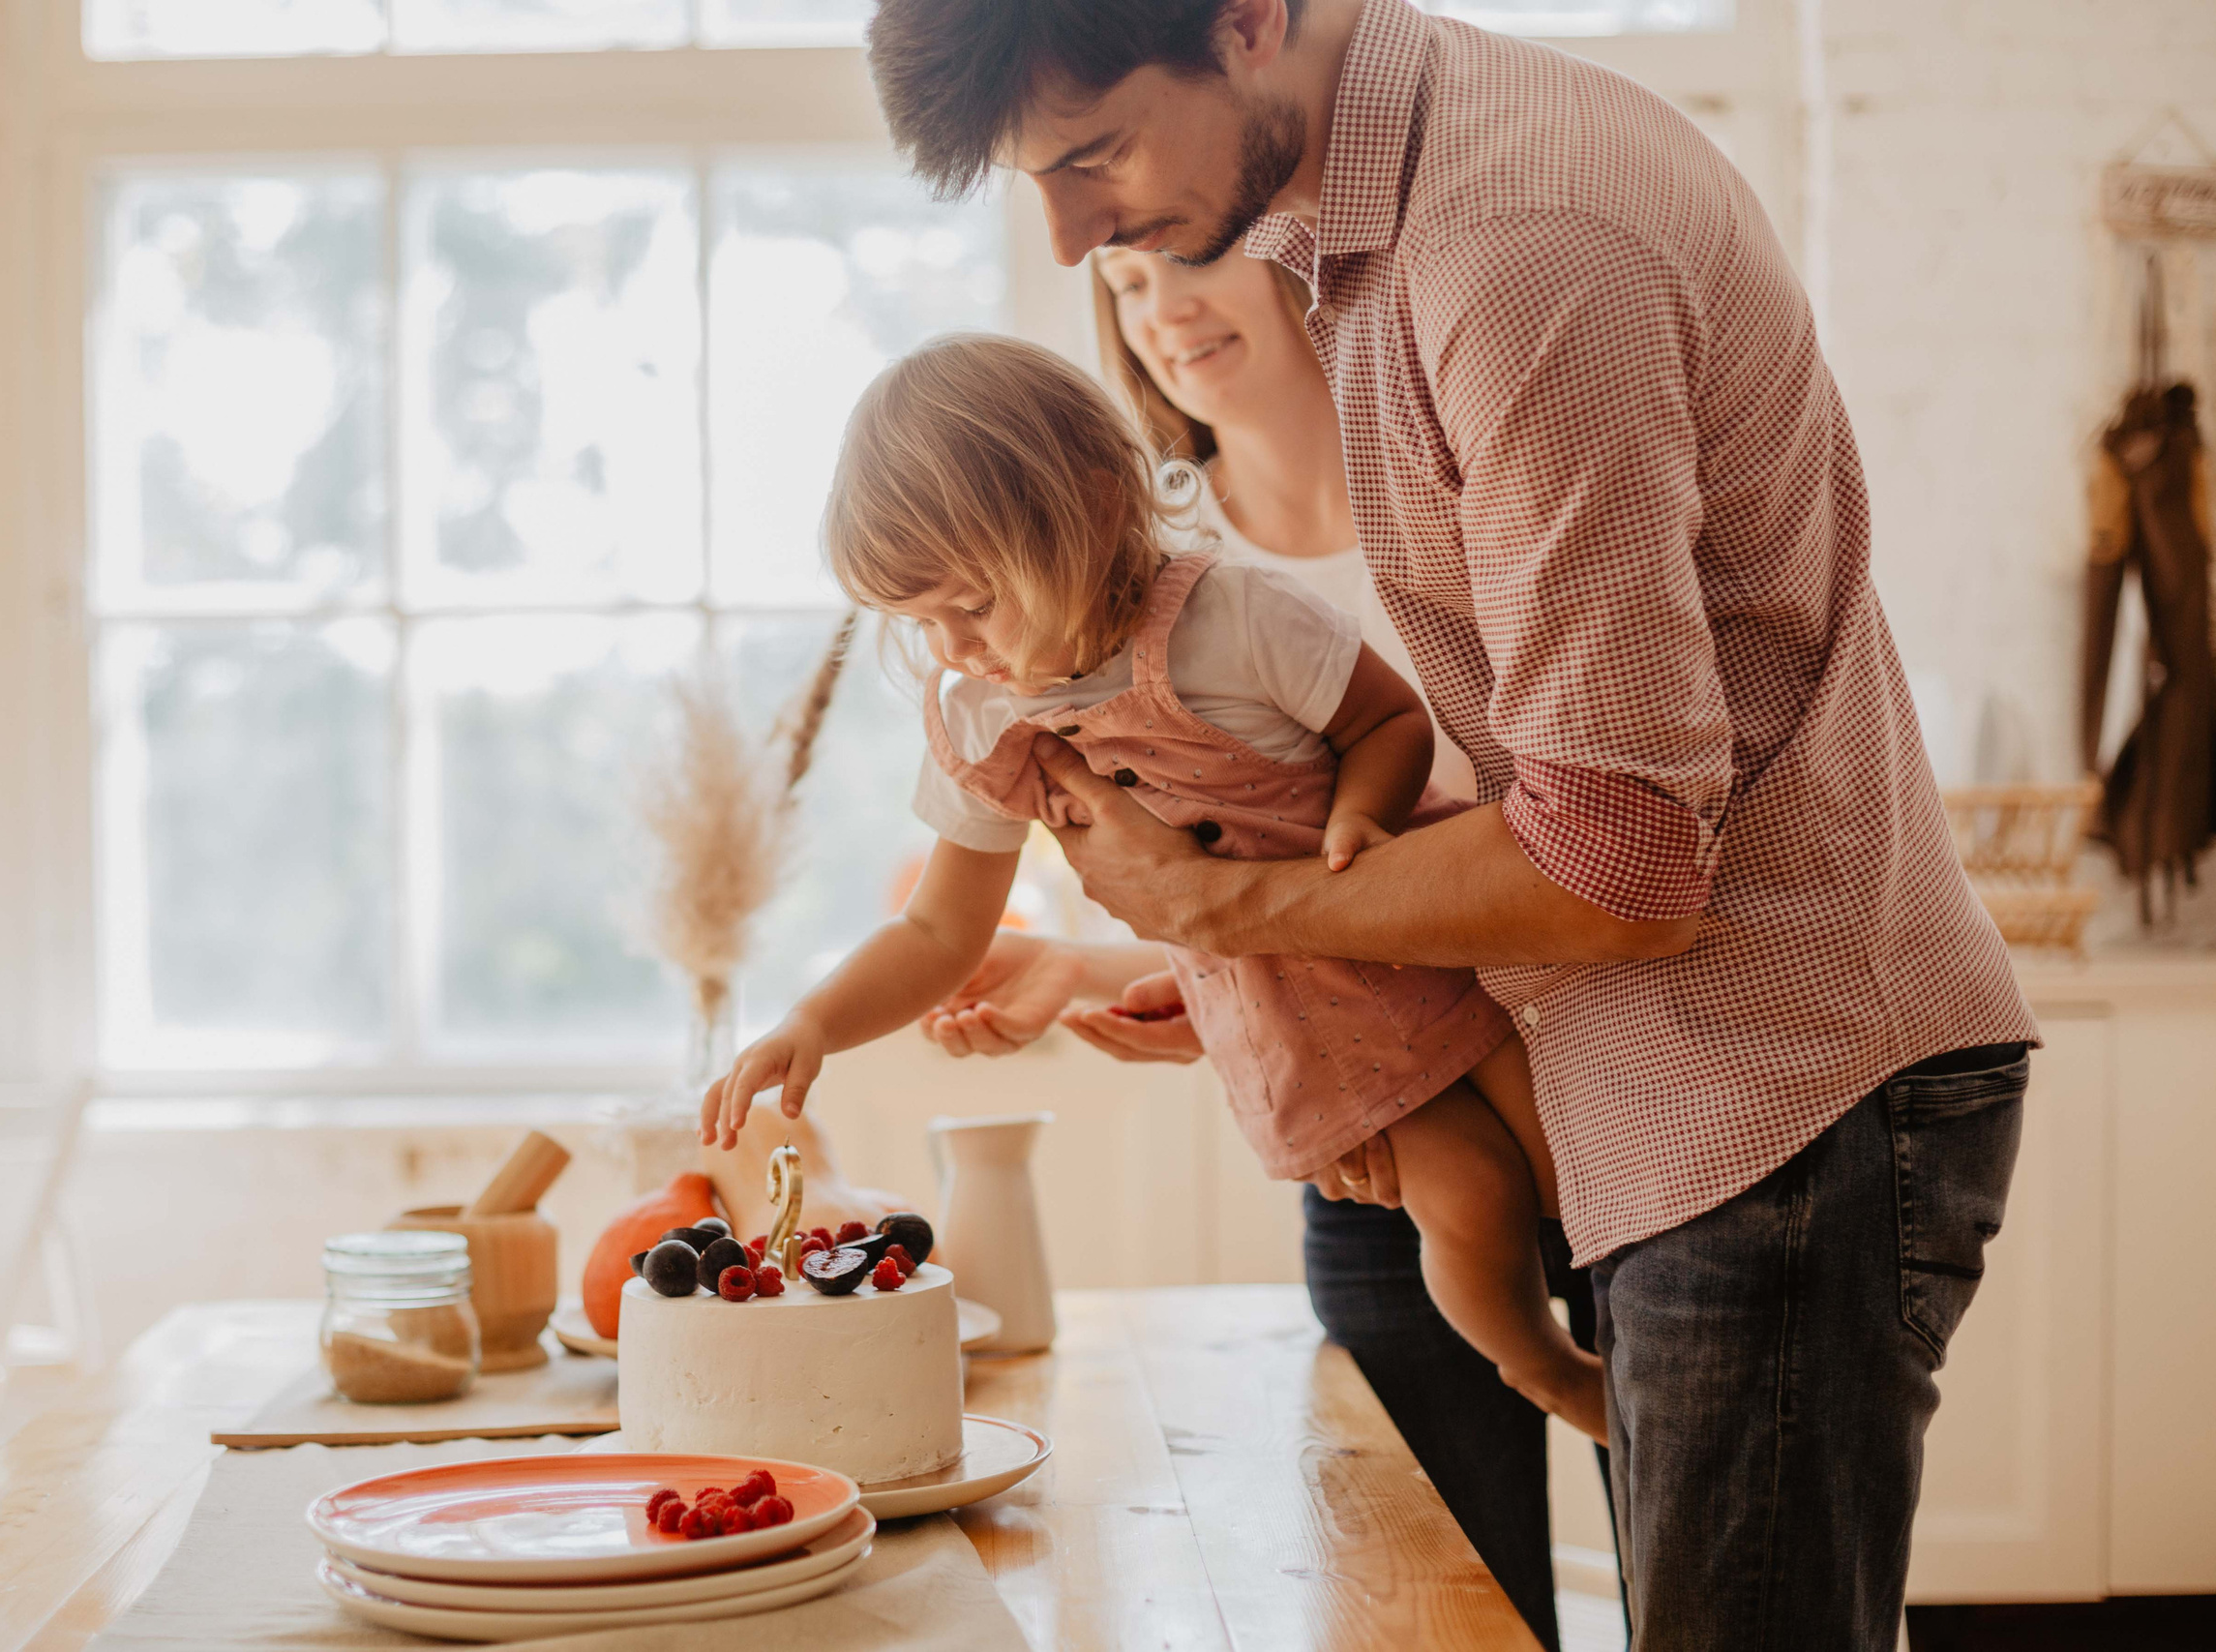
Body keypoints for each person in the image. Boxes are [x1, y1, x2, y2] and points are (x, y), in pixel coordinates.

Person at [864, 3, 2038, 1648]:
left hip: (1778, 1089)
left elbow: (1620, 861)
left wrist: (1223, 917)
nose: (1071, 234)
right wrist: (1277, 977)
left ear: (1252, 19)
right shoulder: (1389, 230)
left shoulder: (1513, 243)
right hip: (1678, 1082)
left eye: (1094, 152)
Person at [697, 331, 1606, 1442]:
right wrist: (812, 1024)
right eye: (920, 622)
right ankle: (1548, 1371)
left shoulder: (1233, 620)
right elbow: (939, 927)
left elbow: (1387, 719)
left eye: (972, 604)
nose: (952, 648)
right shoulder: (989, 718)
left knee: (1574, 1165)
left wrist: (1366, 812)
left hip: (1418, 930)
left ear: (1081, 509)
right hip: (1300, 1016)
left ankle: (1626, 1354)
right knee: (1470, 1198)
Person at [921, 242, 1611, 1650]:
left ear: (1316, 260)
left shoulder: (1473, 496)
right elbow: (1220, 896)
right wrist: (1108, 973)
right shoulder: (1077, 620)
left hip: (1606, 1073)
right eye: (1120, 283)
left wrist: (1251, 926)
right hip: (1378, 1130)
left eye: (1188, 254)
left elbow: (1591, 836)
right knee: (1447, 1596)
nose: (1159, 307)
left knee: (1693, 1553)